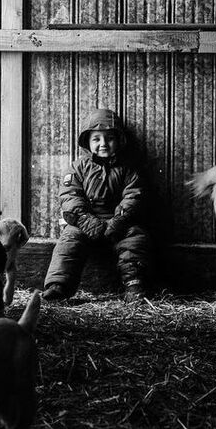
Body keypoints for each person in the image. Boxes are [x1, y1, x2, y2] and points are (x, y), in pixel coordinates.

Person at [42, 109, 152, 302]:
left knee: (136, 238)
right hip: (86, 221)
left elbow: (134, 196)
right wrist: (87, 221)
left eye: (109, 138)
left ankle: (134, 284)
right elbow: (70, 196)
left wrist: (118, 221)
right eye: (96, 139)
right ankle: (58, 286)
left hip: (119, 221)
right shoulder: (78, 168)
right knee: (69, 240)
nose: (103, 144)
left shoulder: (129, 169)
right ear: (87, 142)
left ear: (119, 140)